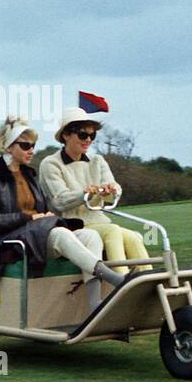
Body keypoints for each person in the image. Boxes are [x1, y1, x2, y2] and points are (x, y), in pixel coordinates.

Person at [0, 117, 122, 292]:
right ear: (8, 147)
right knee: (60, 233)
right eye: (25, 146)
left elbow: (42, 210)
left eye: (33, 145)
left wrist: (44, 216)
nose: (31, 150)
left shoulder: (29, 176)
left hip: (34, 235)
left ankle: (95, 306)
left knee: (90, 235)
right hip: (5, 243)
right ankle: (115, 278)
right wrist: (28, 217)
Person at [39, 107, 149, 274]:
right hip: (72, 225)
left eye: (92, 135)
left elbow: (113, 191)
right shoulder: (51, 164)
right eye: (83, 135)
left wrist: (111, 191)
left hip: (99, 221)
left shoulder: (97, 160)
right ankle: (121, 283)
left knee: (133, 237)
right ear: (66, 135)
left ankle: (150, 285)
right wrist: (85, 194)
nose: (88, 140)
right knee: (113, 231)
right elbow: (59, 201)